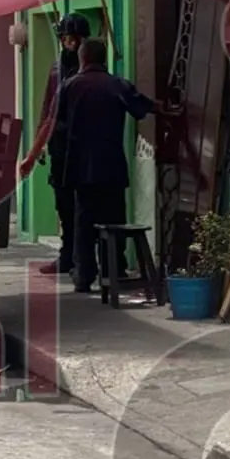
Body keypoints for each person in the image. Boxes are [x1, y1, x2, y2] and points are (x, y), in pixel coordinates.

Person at [53, 38, 155, 294]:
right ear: (104, 58)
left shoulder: (69, 86)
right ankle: (114, 271)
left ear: (83, 59)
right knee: (113, 222)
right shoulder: (116, 85)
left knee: (83, 222)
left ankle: (83, 276)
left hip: (80, 168)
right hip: (111, 165)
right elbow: (142, 106)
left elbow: (56, 124)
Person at [19, 13, 92, 275]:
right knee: (64, 205)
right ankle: (68, 255)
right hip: (61, 148)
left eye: (75, 39)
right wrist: (38, 146)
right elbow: (47, 111)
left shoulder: (90, 73)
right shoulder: (57, 70)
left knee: (86, 208)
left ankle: (84, 261)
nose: (70, 44)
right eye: (66, 39)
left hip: (86, 150)